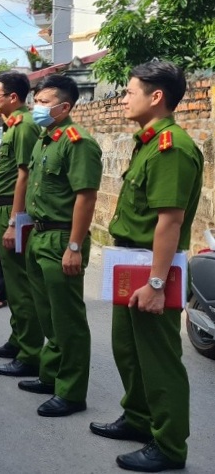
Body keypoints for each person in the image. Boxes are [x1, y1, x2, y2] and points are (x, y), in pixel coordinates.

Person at [90, 61, 202, 472]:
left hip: (151, 268)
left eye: (129, 91)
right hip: (130, 262)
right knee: (128, 350)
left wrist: (157, 283)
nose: (122, 98)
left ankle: (169, 446)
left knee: (159, 359)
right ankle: (138, 419)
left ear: (156, 97)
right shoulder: (149, 142)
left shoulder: (172, 146)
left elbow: (169, 222)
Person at [19, 74, 102, 418]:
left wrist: (74, 246)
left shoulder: (77, 141)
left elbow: (86, 197)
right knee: (47, 314)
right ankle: (51, 375)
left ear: (64, 106)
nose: (35, 106)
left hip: (60, 238)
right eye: (36, 100)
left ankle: (71, 392)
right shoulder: (45, 139)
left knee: (67, 319)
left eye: (43, 102)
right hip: (39, 235)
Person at [0, 72, 45, 378]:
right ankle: (18, 339)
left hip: (14, 210)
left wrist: (14, 221)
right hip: (5, 203)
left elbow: (25, 175)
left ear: (12, 97)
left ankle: (30, 353)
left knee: (20, 285)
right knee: (12, 277)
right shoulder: (11, 126)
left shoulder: (23, 127)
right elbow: (10, 170)